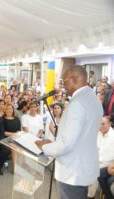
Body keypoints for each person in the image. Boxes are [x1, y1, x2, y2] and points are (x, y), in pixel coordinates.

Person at [35, 66, 103, 199]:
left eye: (64, 81)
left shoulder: (77, 104)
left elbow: (67, 144)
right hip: (83, 165)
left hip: (73, 170)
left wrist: (44, 146)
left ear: (75, 79)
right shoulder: (93, 99)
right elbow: (80, 136)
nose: (63, 85)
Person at [88, 116, 114, 198]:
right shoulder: (95, 134)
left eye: (103, 124)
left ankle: (90, 196)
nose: (100, 126)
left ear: (110, 124)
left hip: (107, 165)